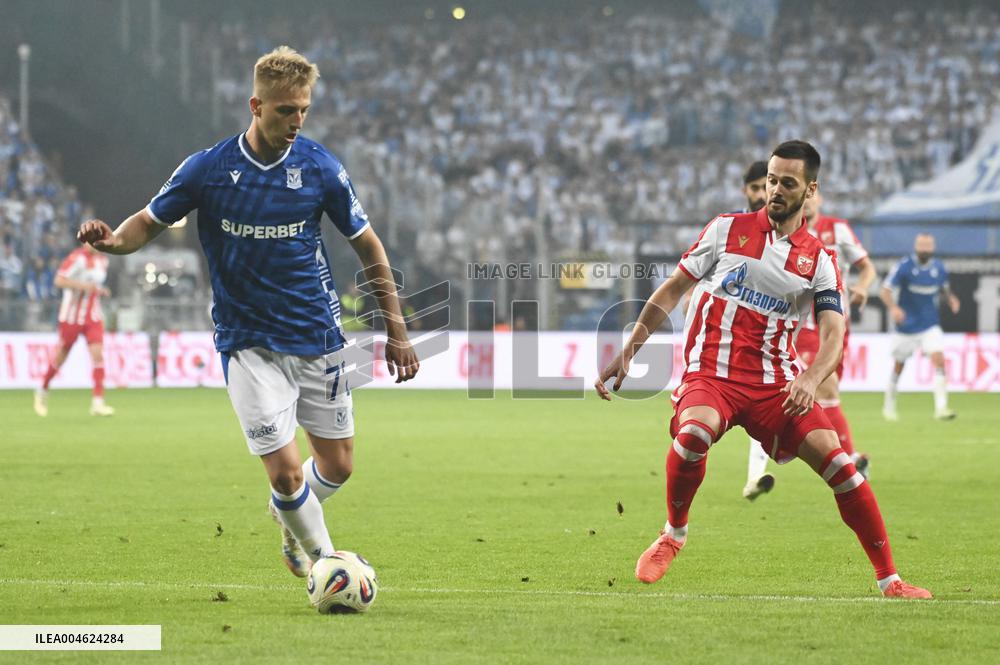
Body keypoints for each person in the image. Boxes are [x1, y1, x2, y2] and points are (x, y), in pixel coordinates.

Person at [77, 46, 420, 581]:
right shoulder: (208, 169)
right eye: (286, 110)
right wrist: (114, 241)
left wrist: (397, 334)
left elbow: (369, 247)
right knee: (285, 476)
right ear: (255, 105)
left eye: (304, 110)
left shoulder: (321, 168)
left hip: (317, 334)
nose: (297, 121)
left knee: (339, 465)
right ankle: (326, 564)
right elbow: (147, 221)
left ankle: (293, 521)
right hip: (247, 342)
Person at [596, 140, 931, 599]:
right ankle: (674, 534)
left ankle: (890, 580)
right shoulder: (726, 229)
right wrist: (630, 347)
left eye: (786, 183)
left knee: (843, 469)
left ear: (809, 190)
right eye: (771, 180)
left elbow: (833, 334)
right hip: (711, 375)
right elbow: (673, 289)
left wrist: (810, 380)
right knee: (694, 435)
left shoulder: (819, 260)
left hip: (775, 386)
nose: (774, 190)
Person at [880, 234, 960, 421]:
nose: (925, 249)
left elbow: (944, 287)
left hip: (929, 325)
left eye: (928, 245)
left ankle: (941, 408)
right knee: (899, 366)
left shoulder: (939, 267)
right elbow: (885, 290)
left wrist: (951, 298)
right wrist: (893, 308)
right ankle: (889, 406)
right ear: (916, 247)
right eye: (921, 245)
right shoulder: (904, 266)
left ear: (933, 247)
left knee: (939, 359)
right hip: (906, 327)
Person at [33, 242, 114, 417]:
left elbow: (94, 284)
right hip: (71, 315)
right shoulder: (76, 257)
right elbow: (59, 280)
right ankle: (42, 390)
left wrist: (100, 291)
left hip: (93, 315)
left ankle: (98, 403)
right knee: (61, 355)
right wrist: (84, 287)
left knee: (98, 355)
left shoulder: (102, 260)